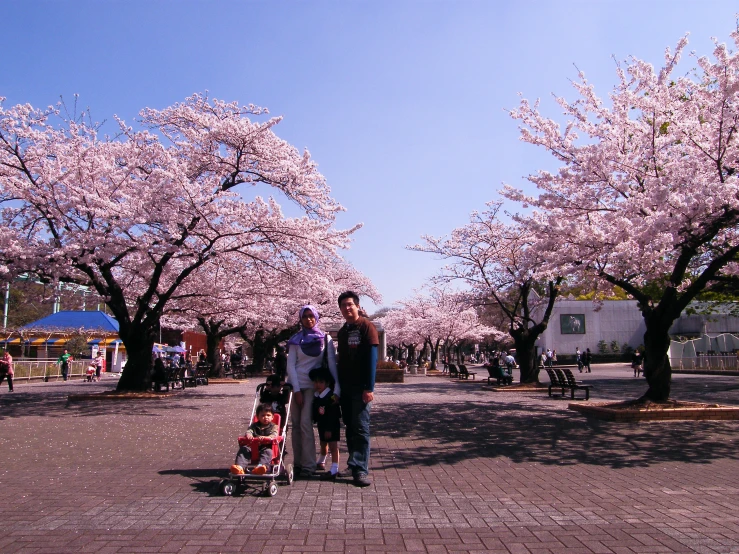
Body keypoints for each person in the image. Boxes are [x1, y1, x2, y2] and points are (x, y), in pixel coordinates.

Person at [286, 305, 339, 479]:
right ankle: (298, 463)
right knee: (295, 427)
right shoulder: (296, 340)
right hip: (296, 386)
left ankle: (309, 465)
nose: (308, 319)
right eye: (305, 316)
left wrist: (336, 388)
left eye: (311, 316)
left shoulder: (325, 339)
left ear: (316, 318)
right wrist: (296, 389)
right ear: (300, 319)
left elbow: (331, 364)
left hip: (314, 388)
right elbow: (291, 366)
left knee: (305, 424)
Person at [336, 291, 379, 488]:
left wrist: (369, 387)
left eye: (350, 304)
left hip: (360, 388)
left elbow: (372, 360)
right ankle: (353, 464)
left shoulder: (366, 327)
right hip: (345, 386)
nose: (347, 308)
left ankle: (361, 469)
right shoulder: (344, 331)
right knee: (350, 427)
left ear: (358, 306)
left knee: (361, 428)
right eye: (343, 305)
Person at [309, 366, 342, 480]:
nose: (318, 385)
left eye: (321, 382)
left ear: (327, 383)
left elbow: (333, 414)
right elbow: (316, 410)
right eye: (316, 382)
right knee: (323, 443)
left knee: (333, 446)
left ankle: (334, 467)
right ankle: (321, 461)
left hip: (331, 425)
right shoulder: (317, 396)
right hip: (322, 424)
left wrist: (329, 428)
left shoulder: (330, 397)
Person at [230, 403, 278, 475]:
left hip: (266, 447)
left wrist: (267, 438)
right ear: (258, 417)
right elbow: (249, 431)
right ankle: (240, 467)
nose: (265, 417)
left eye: (268, 415)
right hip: (253, 447)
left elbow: (274, 434)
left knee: (268, 452)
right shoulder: (254, 426)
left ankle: (261, 467)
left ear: (272, 417)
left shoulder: (274, 426)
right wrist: (249, 435)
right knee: (244, 449)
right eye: (263, 415)